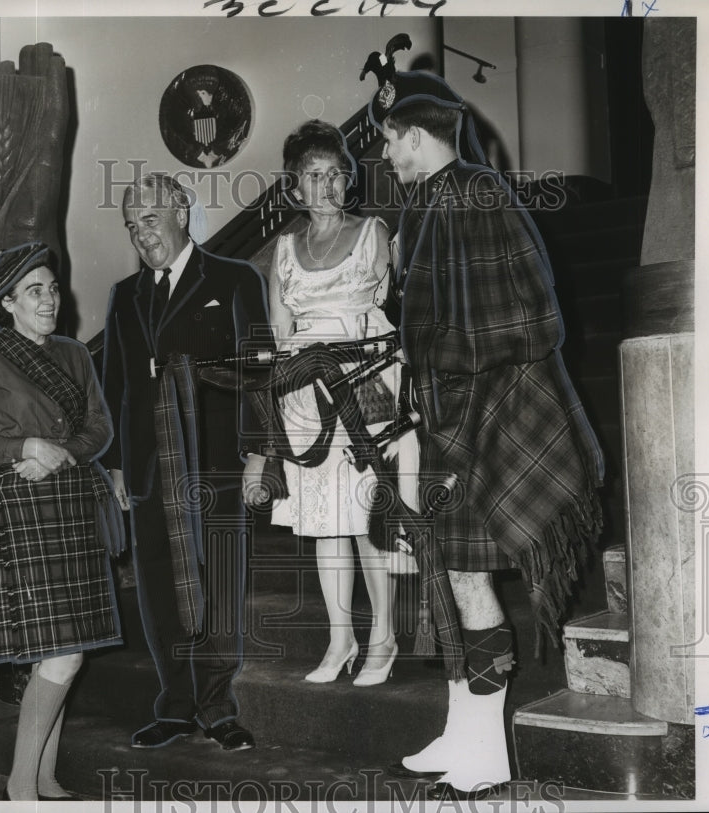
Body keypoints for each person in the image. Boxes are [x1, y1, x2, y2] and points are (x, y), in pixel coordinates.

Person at [363, 63, 604, 798]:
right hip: (449, 416)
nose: (385, 156)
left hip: (490, 418)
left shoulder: (476, 192)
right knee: (449, 574)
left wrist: (440, 370)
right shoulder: (429, 203)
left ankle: (490, 753)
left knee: (468, 578)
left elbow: (532, 319)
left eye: (389, 141)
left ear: (413, 134)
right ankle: (463, 730)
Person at [101, 172, 271, 751]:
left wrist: (258, 455)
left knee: (218, 581)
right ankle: (175, 705)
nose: (141, 234)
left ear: (180, 211)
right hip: (150, 467)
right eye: (131, 226)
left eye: (149, 219)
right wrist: (117, 465)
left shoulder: (233, 277)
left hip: (217, 462)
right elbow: (117, 383)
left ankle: (217, 708)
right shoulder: (125, 295)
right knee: (158, 588)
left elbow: (258, 371)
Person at [0, 242, 124, 802]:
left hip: (71, 502)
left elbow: (100, 427)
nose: (50, 299)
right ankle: (20, 785)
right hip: (23, 508)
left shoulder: (75, 354)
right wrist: (24, 446)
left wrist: (61, 453)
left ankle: (44, 777)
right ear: (8, 303)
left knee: (64, 650)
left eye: (52, 288)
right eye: (34, 292)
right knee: (63, 653)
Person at [258, 119, 416, 687]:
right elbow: (281, 334)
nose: (325, 186)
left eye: (334, 174)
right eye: (312, 176)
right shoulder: (283, 249)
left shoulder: (373, 232)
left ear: (349, 180)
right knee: (326, 522)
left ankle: (383, 637)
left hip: (366, 380)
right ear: (295, 187)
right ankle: (340, 637)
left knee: (368, 514)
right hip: (305, 392)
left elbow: (390, 312)